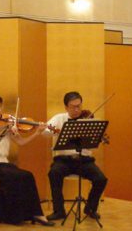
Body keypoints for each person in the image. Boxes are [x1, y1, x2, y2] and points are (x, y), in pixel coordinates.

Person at [0, 94, 53, 226]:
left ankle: (36, 214)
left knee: (27, 175)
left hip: (2, 164)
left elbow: (21, 142)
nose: (0, 110)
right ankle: (12, 216)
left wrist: (37, 132)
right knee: (14, 177)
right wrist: (5, 128)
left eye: (0, 107)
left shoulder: (6, 124)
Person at [44, 91, 108, 221]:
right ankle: (59, 210)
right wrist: (52, 131)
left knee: (101, 179)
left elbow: (91, 147)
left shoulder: (88, 120)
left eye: (79, 106)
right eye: (73, 107)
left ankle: (90, 208)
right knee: (54, 173)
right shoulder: (59, 118)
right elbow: (45, 132)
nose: (77, 109)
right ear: (66, 107)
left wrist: (97, 139)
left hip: (84, 160)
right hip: (63, 160)